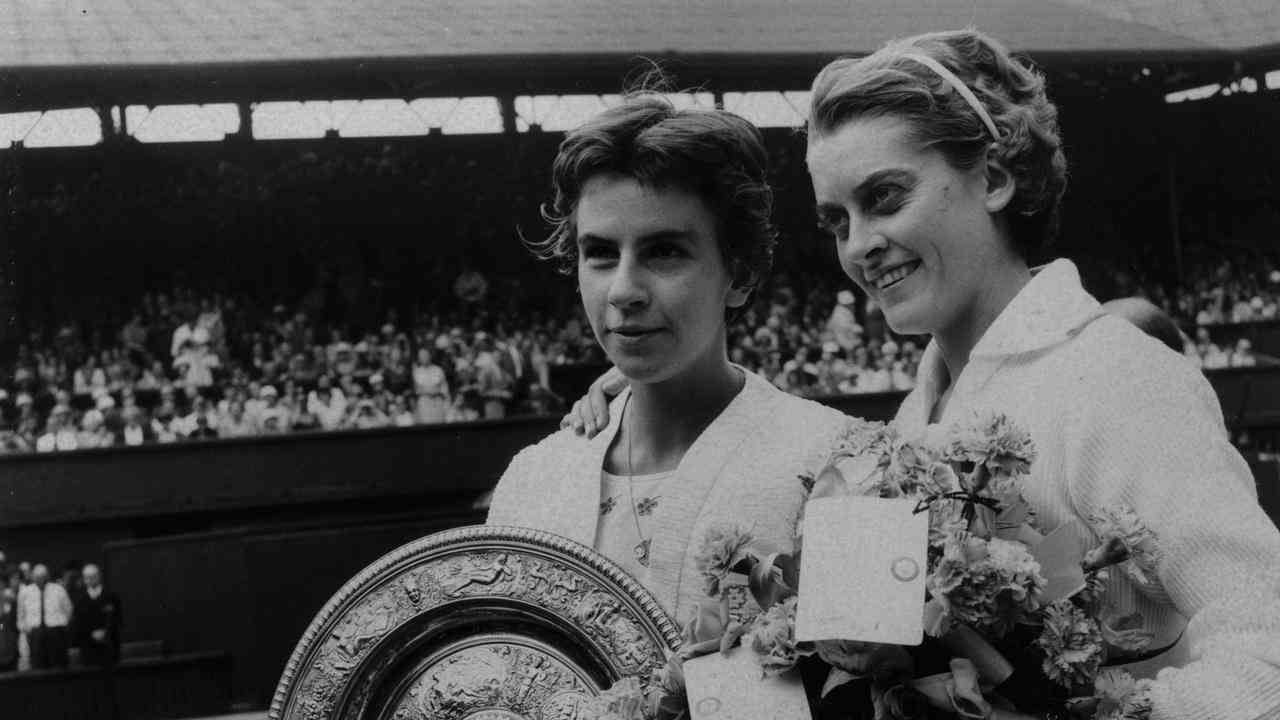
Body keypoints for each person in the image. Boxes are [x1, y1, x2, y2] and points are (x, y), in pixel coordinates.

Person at [566, 29, 1280, 719]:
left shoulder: (1117, 377)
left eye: (885, 198)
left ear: (995, 178)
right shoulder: (914, 419)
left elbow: (1268, 643)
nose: (861, 247)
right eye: (837, 221)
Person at [487, 91, 849, 626]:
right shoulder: (531, 479)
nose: (624, 291)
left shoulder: (832, 460)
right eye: (601, 253)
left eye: (665, 251)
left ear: (741, 274)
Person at [17, 564, 73, 669]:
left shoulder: (58, 589)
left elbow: (69, 609)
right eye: (37, 576)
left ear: (47, 576)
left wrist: (64, 625)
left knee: (58, 665)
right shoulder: (25, 592)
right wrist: (26, 629)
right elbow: (20, 616)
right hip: (35, 633)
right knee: (38, 666)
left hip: (56, 631)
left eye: (43, 576)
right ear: (33, 577)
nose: (40, 579)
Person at [71, 564, 121, 667]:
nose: (90, 579)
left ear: (99, 576)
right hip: (88, 649)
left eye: (93, 576)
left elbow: (118, 620)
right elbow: (77, 625)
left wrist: (105, 632)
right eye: (87, 577)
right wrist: (91, 635)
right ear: (84, 579)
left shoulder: (111, 596)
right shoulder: (79, 600)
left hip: (110, 647)